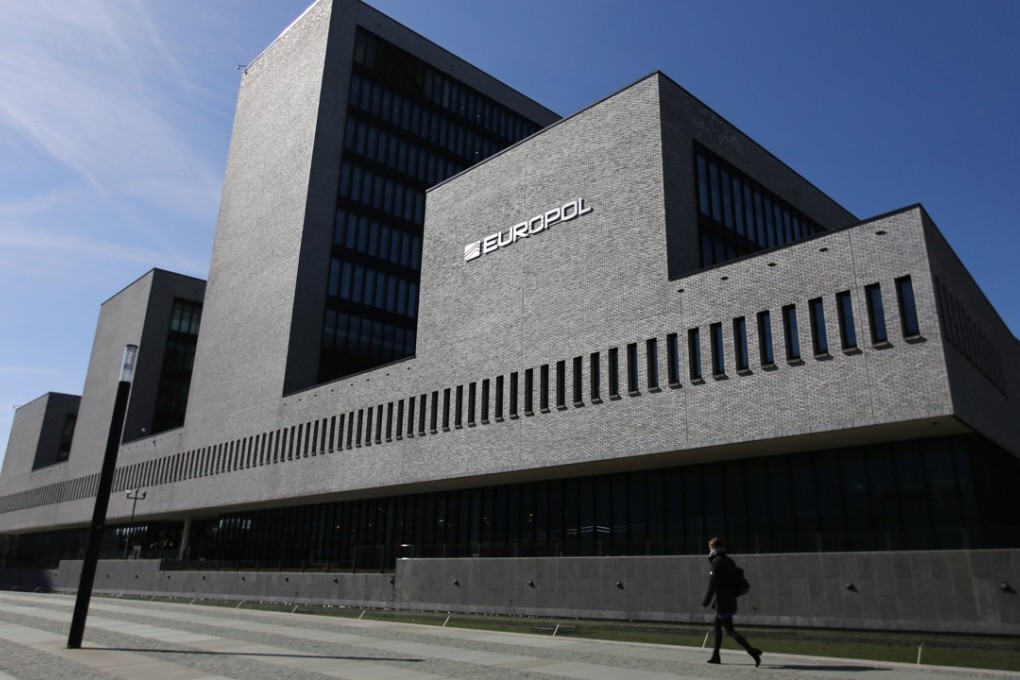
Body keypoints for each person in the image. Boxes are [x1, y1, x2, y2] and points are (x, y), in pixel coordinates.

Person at [701, 536, 762, 666]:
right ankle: (715, 655)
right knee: (717, 627)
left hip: (723, 602)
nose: (709, 550)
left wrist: (706, 601)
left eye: (710, 547)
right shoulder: (729, 560)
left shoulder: (716, 562)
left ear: (713, 548)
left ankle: (752, 652)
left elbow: (713, 584)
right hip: (728, 599)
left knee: (730, 630)